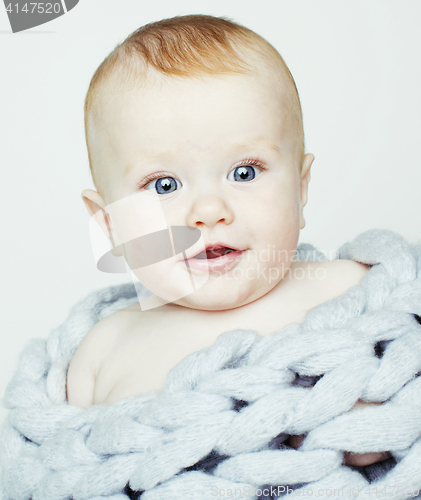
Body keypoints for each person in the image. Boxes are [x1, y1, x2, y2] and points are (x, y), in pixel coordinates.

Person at [66, 14, 388, 467]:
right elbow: (66, 469)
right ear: (110, 224)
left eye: (244, 172)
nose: (208, 211)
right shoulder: (103, 349)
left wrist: (345, 422)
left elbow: (395, 413)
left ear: (300, 187)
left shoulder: (350, 289)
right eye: (163, 185)